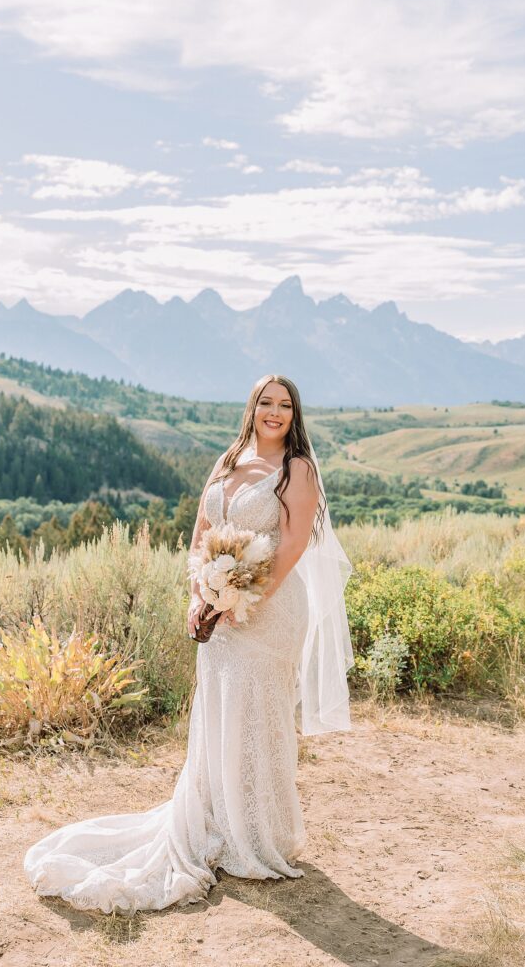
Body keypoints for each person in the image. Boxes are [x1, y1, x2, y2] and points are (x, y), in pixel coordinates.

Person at [23, 374, 354, 915]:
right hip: (218, 609)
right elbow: (202, 534)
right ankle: (217, 820)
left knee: (258, 715)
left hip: (269, 612)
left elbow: (291, 546)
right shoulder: (227, 460)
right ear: (251, 408)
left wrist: (240, 600)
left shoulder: (297, 469)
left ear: (295, 416)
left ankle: (256, 835)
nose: (275, 413)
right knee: (220, 713)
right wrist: (201, 595)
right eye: (266, 403)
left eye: (285, 406)